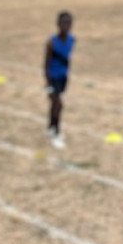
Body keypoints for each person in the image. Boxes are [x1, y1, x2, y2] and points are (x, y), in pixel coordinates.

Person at [44, 11, 74, 150]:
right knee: (59, 105)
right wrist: (48, 84)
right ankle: (56, 134)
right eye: (64, 23)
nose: (66, 26)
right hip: (52, 78)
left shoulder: (72, 40)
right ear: (58, 24)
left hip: (62, 78)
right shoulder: (51, 43)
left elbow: (68, 59)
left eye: (69, 23)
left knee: (54, 105)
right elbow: (46, 64)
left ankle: (50, 127)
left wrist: (67, 75)